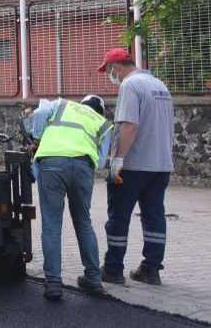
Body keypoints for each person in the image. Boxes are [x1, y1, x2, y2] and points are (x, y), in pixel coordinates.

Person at [97, 48, 174, 286]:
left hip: (133, 165)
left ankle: (113, 269)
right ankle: (151, 269)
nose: (112, 77)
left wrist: (117, 160)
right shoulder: (159, 85)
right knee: (154, 216)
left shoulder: (130, 86)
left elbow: (129, 126)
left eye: (110, 72)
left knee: (118, 216)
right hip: (160, 165)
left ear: (116, 68)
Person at [24, 94, 112, 301]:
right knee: (83, 223)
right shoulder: (103, 123)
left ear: (82, 104)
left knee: (52, 225)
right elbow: (100, 163)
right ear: (100, 110)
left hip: (52, 164)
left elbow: (40, 112)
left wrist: (38, 136)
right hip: (83, 168)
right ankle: (93, 278)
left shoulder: (62, 104)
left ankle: (53, 283)